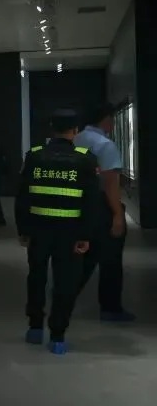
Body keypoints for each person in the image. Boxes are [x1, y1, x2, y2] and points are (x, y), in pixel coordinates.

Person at [16, 110, 102, 355]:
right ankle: (57, 337)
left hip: (38, 230)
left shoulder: (34, 156)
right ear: (75, 131)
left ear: (52, 129)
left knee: (36, 277)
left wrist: (23, 229)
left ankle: (34, 327)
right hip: (71, 233)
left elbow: (22, 196)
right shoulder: (86, 159)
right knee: (66, 282)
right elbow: (91, 203)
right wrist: (86, 235)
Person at [74, 103, 135, 322]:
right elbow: (110, 184)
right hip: (102, 206)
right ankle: (110, 308)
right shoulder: (105, 145)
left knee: (85, 254)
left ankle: (64, 294)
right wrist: (117, 214)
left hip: (80, 204)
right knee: (111, 260)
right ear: (106, 119)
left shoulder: (77, 139)